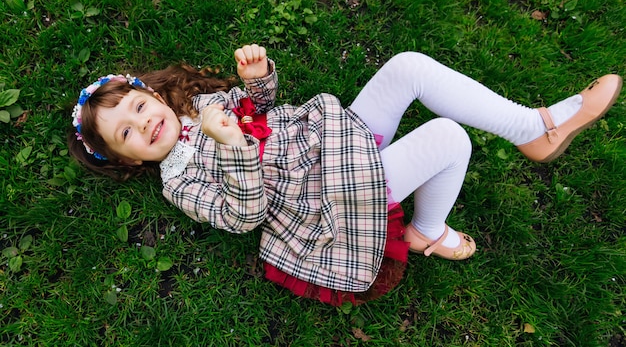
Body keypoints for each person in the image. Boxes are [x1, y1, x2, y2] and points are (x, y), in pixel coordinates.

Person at [69, 44, 622, 306]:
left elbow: (263, 114)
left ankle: (533, 126)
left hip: (330, 141)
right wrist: (233, 145)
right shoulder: (179, 182)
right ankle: (427, 229)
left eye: (138, 108)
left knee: (407, 66)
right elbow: (244, 216)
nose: (143, 125)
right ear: (131, 161)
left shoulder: (194, 106)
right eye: (127, 135)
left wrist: (257, 83)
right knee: (448, 138)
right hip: (326, 201)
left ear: (149, 93)